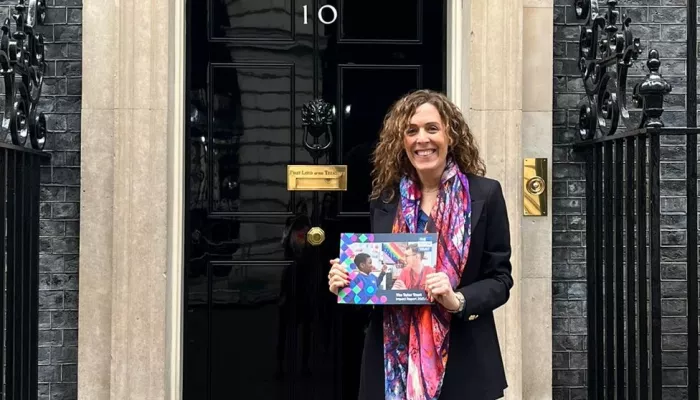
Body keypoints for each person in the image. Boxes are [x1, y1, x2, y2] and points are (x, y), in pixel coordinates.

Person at [327, 89, 513, 400]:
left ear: (450, 135)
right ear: (401, 142)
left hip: (464, 356)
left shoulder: (486, 195)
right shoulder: (385, 200)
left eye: (432, 128)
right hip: (391, 361)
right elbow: (380, 278)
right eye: (411, 131)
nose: (421, 139)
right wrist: (348, 282)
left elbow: (501, 279)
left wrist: (458, 299)